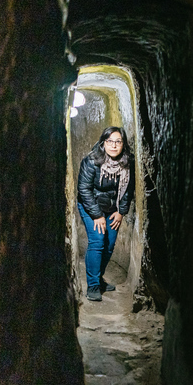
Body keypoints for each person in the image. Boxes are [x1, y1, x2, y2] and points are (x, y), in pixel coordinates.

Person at [77, 126, 134, 301]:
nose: (114, 145)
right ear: (103, 143)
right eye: (110, 141)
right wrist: (97, 215)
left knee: (109, 245)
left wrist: (121, 212)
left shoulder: (127, 162)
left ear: (123, 144)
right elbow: (84, 190)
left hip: (112, 210)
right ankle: (93, 286)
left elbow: (128, 190)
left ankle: (99, 279)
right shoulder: (91, 161)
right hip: (90, 206)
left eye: (118, 141)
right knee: (98, 240)